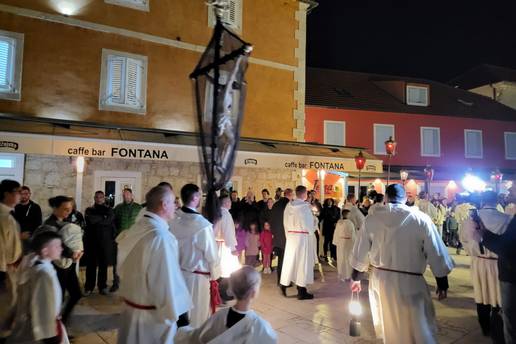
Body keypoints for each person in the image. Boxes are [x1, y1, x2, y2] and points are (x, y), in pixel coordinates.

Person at [350, 184, 454, 344]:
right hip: (410, 282)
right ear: (405, 198)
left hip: (381, 281)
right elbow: (436, 252)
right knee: (417, 327)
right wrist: (442, 282)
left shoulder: (372, 220)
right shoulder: (421, 219)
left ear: (386, 198)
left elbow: (360, 251)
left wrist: (356, 277)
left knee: (390, 325)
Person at [117, 185, 191, 344]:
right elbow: (165, 281)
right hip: (151, 319)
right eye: (173, 202)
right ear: (164, 204)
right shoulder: (161, 238)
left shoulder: (138, 228)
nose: (176, 206)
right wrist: (177, 315)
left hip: (131, 311)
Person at [176, 266, 277, 344]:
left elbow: (196, 337)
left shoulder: (219, 317)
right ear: (254, 293)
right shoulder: (259, 326)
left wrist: (182, 325)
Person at [6, 231, 69, 344]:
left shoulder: (35, 265)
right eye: (57, 246)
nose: (61, 249)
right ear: (45, 251)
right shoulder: (43, 274)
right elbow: (43, 307)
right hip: (44, 329)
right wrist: (49, 335)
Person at [170, 184, 219, 327]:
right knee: (197, 317)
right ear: (196, 198)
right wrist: (215, 275)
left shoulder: (173, 220)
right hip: (197, 279)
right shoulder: (202, 226)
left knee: (178, 316)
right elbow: (212, 255)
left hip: (176, 275)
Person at [460, 192, 503, 341]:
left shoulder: (469, 220)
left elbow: (464, 241)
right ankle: (499, 328)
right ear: (497, 200)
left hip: (478, 262)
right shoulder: (505, 219)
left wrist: (473, 252)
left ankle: (485, 328)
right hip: (499, 263)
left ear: (483, 200)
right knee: (498, 295)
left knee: (481, 294)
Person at [478, 191, 516, 343]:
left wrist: (484, 235)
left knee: (511, 320)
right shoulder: (507, 218)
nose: (510, 190)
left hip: (511, 274)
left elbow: (508, 248)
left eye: (513, 188)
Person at [43, 196, 83, 325]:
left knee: (76, 294)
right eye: (65, 209)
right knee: (58, 297)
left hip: (67, 264)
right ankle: (56, 328)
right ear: (55, 208)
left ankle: (62, 324)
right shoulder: (49, 224)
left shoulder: (64, 222)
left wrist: (77, 251)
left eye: (70, 209)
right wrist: (72, 253)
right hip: (57, 265)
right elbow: (57, 243)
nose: (68, 212)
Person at [280, 185, 316, 300]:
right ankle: (301, 290)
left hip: (291, 236)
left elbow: (285, 222)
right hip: (302, 237)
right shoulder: (306, 207)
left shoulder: (289, 205)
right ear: (304, 194)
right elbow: (309, 226)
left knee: (290, 262)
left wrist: (288, 234)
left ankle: (284, 284)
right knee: (302, 263)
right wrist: (315, 223)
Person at [0, 180, 22, 341]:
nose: (20, 195)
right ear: (7, 194)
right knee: (5, 305)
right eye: (17, 191)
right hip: (5, 269)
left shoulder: (8, 215)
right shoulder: (2, 217)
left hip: (10, 267)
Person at [84, 191, 116, 295]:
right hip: (91, 241)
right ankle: (89, 287)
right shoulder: (89, 210)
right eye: (97, 197)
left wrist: (101, 219)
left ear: (104, 198)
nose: (99, 199)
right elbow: (91, 220)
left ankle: (102, 286)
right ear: (94, 198)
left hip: (105, 241)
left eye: (101, 197)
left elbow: (109, 220)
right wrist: (103, 218)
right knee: (91, 265)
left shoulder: (109, 210)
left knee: (103, 265)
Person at [112, 188, 142, 292]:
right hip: (120, 238)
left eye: (127, 194)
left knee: (133, 261)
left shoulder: (139, 208)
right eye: (124, 195)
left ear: (132, 195)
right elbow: (113, 222)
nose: (125, 196)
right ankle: (116, 283)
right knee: (118, 261)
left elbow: (142, 223)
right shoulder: (118, 208)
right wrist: (115, 233)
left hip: (134, 239)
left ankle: (133, 283)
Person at [269, 188, 293, 287]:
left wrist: (274, 233)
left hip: (277, 237)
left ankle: (280, 280)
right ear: (290, 195)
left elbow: (271, 220)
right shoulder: (289, 205)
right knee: (286, 260)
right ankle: (284, 282)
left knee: (280, 260)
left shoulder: (276, 204)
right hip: (286, 236)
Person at [213, 195, 240, 279]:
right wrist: (233, 249)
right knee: (227, 272)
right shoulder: (225, 214)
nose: (230, 203)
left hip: (218, 244)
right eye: (229, 201)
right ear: (225, 203)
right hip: (225, 246)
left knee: (219, 269)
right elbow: (228, 232)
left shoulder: (218, 213)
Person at [13, 186, 42, 253]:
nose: (23, 196)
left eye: (26, 193)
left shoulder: (35, 207)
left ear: (29, 194)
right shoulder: (14, 206)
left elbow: (38, 224)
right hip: (16, 235)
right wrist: (18, 235)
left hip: (29, 236)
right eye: (21, 194)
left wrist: (29, 234)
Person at [333, 209, 356, 281]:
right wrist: (354, 242)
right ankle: (347, 274)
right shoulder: (350, 223)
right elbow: (353, 234)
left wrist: (336, 242)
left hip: (340, 242)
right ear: (347, 215)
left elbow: (336, 232)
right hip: (348, 242)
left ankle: (341, 274)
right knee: (347, 258)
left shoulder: (339, 222)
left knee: (341, 258)